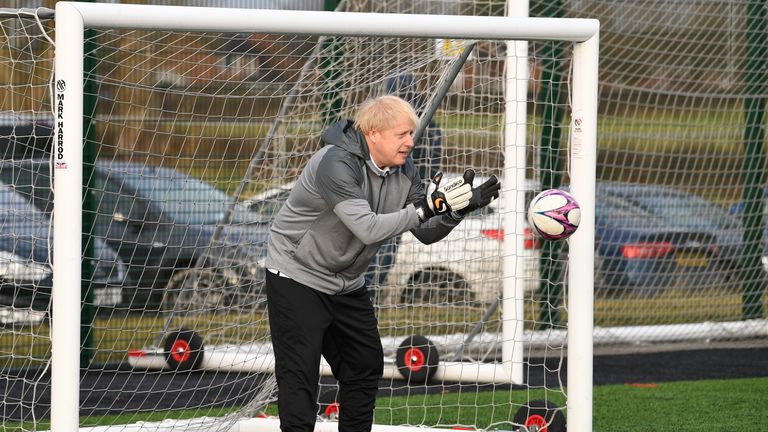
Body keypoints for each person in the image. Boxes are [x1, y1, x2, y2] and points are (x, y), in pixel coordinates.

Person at [264, 95, 500, 432]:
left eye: (411, 133)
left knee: (364, 364)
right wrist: (427, 209)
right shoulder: (336, 163)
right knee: (300, 375)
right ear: (373, 134)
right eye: (402, 134)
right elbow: (368, 227)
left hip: (346, 283)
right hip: (296, 275)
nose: (410, 141)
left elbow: (426, 232)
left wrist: (457, 211)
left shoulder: (405, 170)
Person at [363, 73, 443, 298]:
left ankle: (366, 304)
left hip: (384, 202)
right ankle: (370, 304)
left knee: (369, 264)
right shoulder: (430, 123)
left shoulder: (394, 124)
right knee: (379, 265)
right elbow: (432, 166)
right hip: (402, 205)